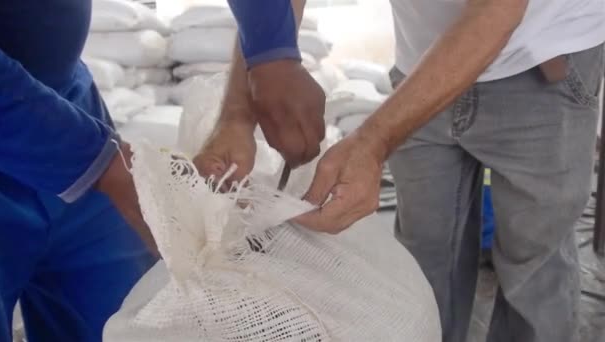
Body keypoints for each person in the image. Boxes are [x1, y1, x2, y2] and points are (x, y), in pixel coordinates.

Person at [199, 1, 605, 341]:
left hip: (542, 61)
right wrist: (240, 109)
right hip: (422, 62)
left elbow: (498, 8)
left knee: (533, 267)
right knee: (424, 256)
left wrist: (373, 142)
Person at [0, 0, 323, 341]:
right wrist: (106, 165)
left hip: (70, 110)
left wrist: (271, 55)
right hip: (57, 144)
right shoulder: (106, 165)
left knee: (127, 317)